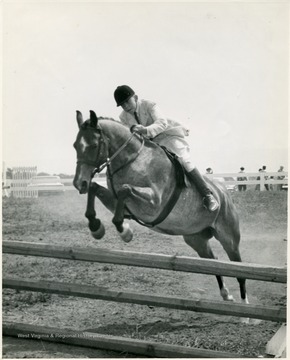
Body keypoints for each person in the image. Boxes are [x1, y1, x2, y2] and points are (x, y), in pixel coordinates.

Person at [113, 85, 219, 212]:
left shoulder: (149, 105)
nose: (125, 106)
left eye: (127, 101)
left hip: (167, 136)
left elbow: (162, 123)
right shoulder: (123, 117)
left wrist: (145, 130)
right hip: (149, 144)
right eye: (122, 104)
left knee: (185, 161)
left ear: (135, 97)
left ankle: (207, 195)